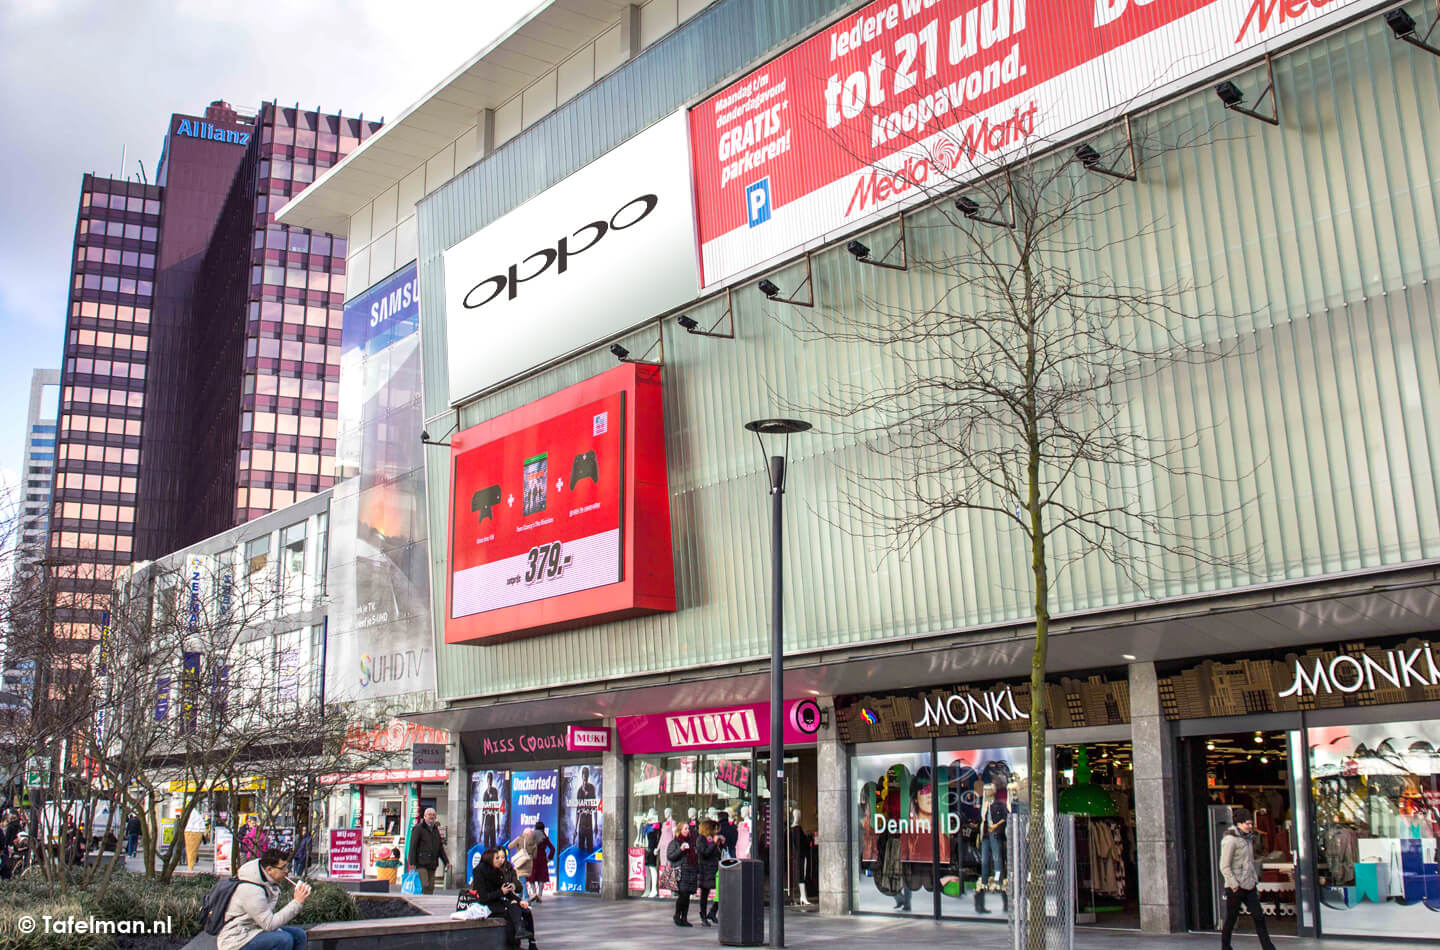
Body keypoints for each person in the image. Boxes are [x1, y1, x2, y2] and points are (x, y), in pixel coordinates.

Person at [216, 847, 311, 950]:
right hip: (236, 939)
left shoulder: (266, 881)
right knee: (284, 939)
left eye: (286, 866)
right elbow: (269, 924)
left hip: (253, 930)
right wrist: (297, 902)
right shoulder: (251, 890)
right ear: (269, 869)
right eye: (283, 868)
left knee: (299, 935)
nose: (286, 871)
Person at [1219, 808, 1278, 950]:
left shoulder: (1248, 838)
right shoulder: (1230, 840)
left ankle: (1268, 947)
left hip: (1249, 884)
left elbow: (1250, 861)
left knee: (1259, 916)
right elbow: (1224, 866)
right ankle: (1225, 946)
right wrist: (1234, 884)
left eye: (1251, 824)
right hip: (1236, 886)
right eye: (1247, 824)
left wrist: (1254, 879)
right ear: (1238, 824)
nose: (1250, 826)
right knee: (1231, 919)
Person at [474, 847, 537, 950]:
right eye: (497, 858)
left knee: (524, 910)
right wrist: (501, 892)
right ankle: (514, 940)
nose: (500, 860)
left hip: (501, 900)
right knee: (510, 910)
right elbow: (484, 897)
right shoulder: (480, 872)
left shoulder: (502, 870)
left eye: (502, 857)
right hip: (489, 904)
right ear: (490, 859)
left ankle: (530, 941)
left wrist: (519, 900)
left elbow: (509, 890)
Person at [407, 807, 449, 895]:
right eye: (429, 815)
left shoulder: (435, 829)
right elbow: (413, 846)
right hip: (421, 862)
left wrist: (446, 861)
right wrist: (412, 862)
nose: (432, 817)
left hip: (432, 862)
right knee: (424, 884)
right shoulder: (418, 828)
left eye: (433, 815)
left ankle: (428, 902)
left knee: (431, 886)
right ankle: (421, 903)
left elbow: (440, 847)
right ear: (424, 816)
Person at [667, 820, 699, 927]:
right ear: (680, 830)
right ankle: (677, 915)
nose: (687, 830)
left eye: (688, 829)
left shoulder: (691, 842)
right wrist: (680, 850)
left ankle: (684, 918)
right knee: (683, 894)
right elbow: (670, 856)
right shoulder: (675, 842)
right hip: (681, 871)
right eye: (685, 829)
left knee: (687, 895)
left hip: (690, 870)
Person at [695, 819, 721, 927]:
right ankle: (703, 916)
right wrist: (714, 843)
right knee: (704, 894)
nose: (716, 831)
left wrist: (719, 844)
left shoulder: (711, 838)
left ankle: (713, 911)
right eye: (714, 828)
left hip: (714, 869)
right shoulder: (701, 839)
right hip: (705, 870)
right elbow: (705, 852)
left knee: (721, 891)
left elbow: (716, 853)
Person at [506, 827, 536, 901]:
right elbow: (535, 855)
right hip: (529, 863)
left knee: (522, 880)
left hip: (521, 862)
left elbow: (510, 846)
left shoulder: (520, 839)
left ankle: (526, 897)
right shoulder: (534, 841)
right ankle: (520, 896)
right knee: (522, 879)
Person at [528, 821, 553, 901]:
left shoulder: (531, 836)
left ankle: (534, 894)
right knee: (541, 878)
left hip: (533, 859)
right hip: (542, 859)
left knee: (531, 877)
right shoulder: (544, 837)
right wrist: (549, 858)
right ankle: (540, 896)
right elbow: (552, 849)